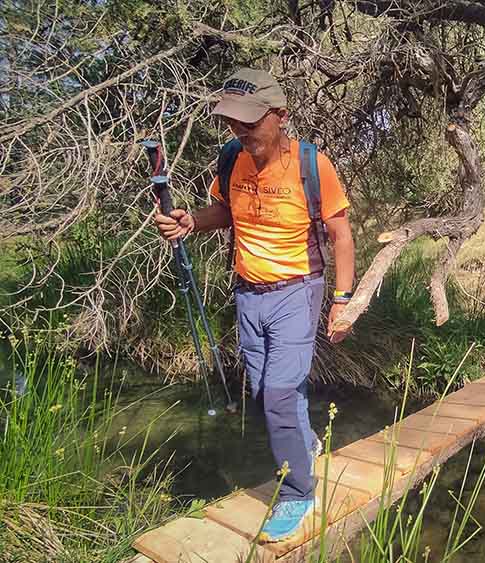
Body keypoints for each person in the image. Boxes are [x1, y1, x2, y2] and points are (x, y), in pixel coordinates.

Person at [153, 69, 355, 543]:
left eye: (250, 122)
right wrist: (191, 222)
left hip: (297, 291)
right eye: (232, 123)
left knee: (281, 396)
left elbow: (341, 237)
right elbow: (225, 213)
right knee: (267, 391)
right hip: (248, 291)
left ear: (279, 116)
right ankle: (306, 444)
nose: (241, 132)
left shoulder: (312, 165)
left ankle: (299, 492)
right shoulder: (231, 158)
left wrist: (342, 301)